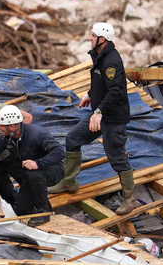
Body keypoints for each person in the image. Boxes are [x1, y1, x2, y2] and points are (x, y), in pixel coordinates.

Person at [49, 23, 139, 214]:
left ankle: (129, 200)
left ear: (102, 39)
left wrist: (98, 112)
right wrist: (90, 94)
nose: (89, 39)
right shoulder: (100, 56)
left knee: (116, 157)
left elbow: (115, 90)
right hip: (100, 114)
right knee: (73, 138)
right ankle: (69, 182)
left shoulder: (111, 61)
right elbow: (102, 84)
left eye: (92, 36)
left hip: (112, 118)